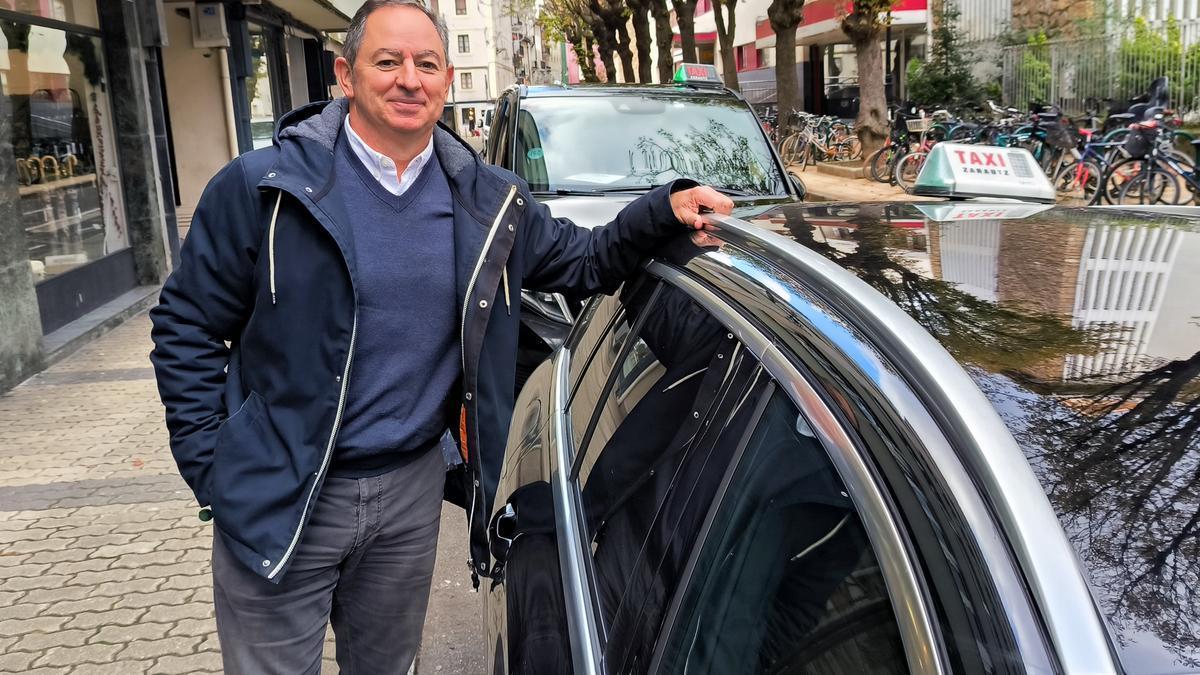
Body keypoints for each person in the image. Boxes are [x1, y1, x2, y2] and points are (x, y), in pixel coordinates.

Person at [147, 0, 733, 672]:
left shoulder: (489, 201)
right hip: (281, 489)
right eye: (387, 61)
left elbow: (588, 260)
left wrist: (662, 207)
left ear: (447, 81)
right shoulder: (263, 188)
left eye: (426, 64)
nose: (409, 79)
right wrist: (213, 467)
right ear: (345, 74)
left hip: (408, 495)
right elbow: (186, 324)